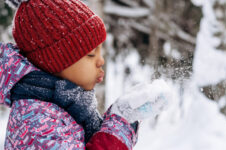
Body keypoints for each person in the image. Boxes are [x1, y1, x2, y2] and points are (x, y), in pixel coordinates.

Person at [0, 0, 171, 149]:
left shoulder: (64, 105)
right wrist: (117, 127)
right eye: (90, 55)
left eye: (100, 52)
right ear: (55, 62)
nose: (101, 61)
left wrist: (122, 120)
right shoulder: (37, 121)